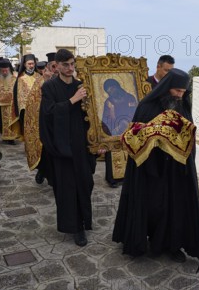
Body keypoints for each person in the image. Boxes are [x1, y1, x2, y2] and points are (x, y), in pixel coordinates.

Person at [112, 68, 199, 263]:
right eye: (177, 91)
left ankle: (173, 245)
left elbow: (188, 136)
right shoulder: (146, 107)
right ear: (167, 88)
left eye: (183, 92)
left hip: (177, 169)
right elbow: (134, 135)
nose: (180, 95)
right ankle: (153, 242)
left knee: (176, 207)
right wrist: (154, 133)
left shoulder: (183, 106)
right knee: (154, 207)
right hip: (151, 168)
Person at [39, 49, 98, 246]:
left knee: (85, 183)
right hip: (61, 146)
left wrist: (98, 141)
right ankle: (76, 228)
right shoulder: (49, 87)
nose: (70, 68)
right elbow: (48, 114)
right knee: (67, 188)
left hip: (81, 144)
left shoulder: (81, 85)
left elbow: (92, 116)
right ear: (56, 66)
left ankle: (84, 221)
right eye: (66, 65)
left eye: (72, 64)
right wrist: (72, 100)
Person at [24, 52, 58, 185]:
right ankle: (43, 172)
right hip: (44, 124)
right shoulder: (40, 81)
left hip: (59, 124)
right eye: (53, 67)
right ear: (48, 67)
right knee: (46, 153)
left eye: (58, 66)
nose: (56, 70)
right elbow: (32, 104)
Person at [100, 79, 138, 188]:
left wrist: (127, 123)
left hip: (129, 129)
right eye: (108, 90)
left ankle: (128, 178)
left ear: (117, 86)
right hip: (114, 130)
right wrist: (111, 113)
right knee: (113, 153)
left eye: (112, 88)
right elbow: (105, 119)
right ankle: (113, 180)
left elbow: (134, 112)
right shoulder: (108, 102)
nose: (111, 91)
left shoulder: (130, 98)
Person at [13, 54, 40, 137]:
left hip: (38, 109)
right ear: (24, 65)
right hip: (25, 110)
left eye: (32, 63)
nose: (31, 66)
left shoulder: (39, 77)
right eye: (29, 64)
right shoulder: (21, 78)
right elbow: (18, 95)